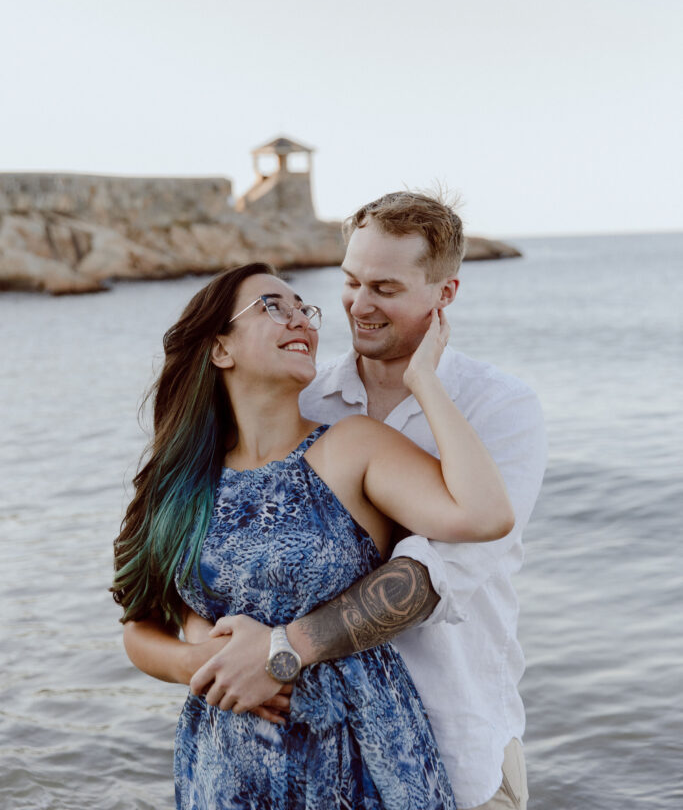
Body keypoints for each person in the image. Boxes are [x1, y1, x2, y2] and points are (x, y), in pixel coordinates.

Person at [175, 192, 547, 810]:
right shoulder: (307, 402)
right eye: (349, 281)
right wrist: (212, 648)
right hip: (310, 751)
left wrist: (278, 653)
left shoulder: (500, 408)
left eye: (386, 288)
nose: (359, 306)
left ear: (444, 294)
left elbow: (433, 575)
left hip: (457, 741)